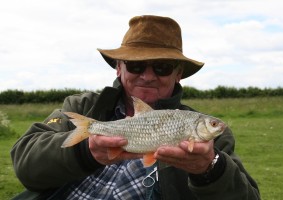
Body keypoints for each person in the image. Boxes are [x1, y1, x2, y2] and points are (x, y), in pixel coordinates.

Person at [11, 15, 260, 200]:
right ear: (119, 68)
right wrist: (86, 152)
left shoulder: (208, 137)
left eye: (161, 66)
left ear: (178, 74)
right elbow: (25, 165)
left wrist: (208, 170)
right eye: (136, 66)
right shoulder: (83, 106)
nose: (148, 76)